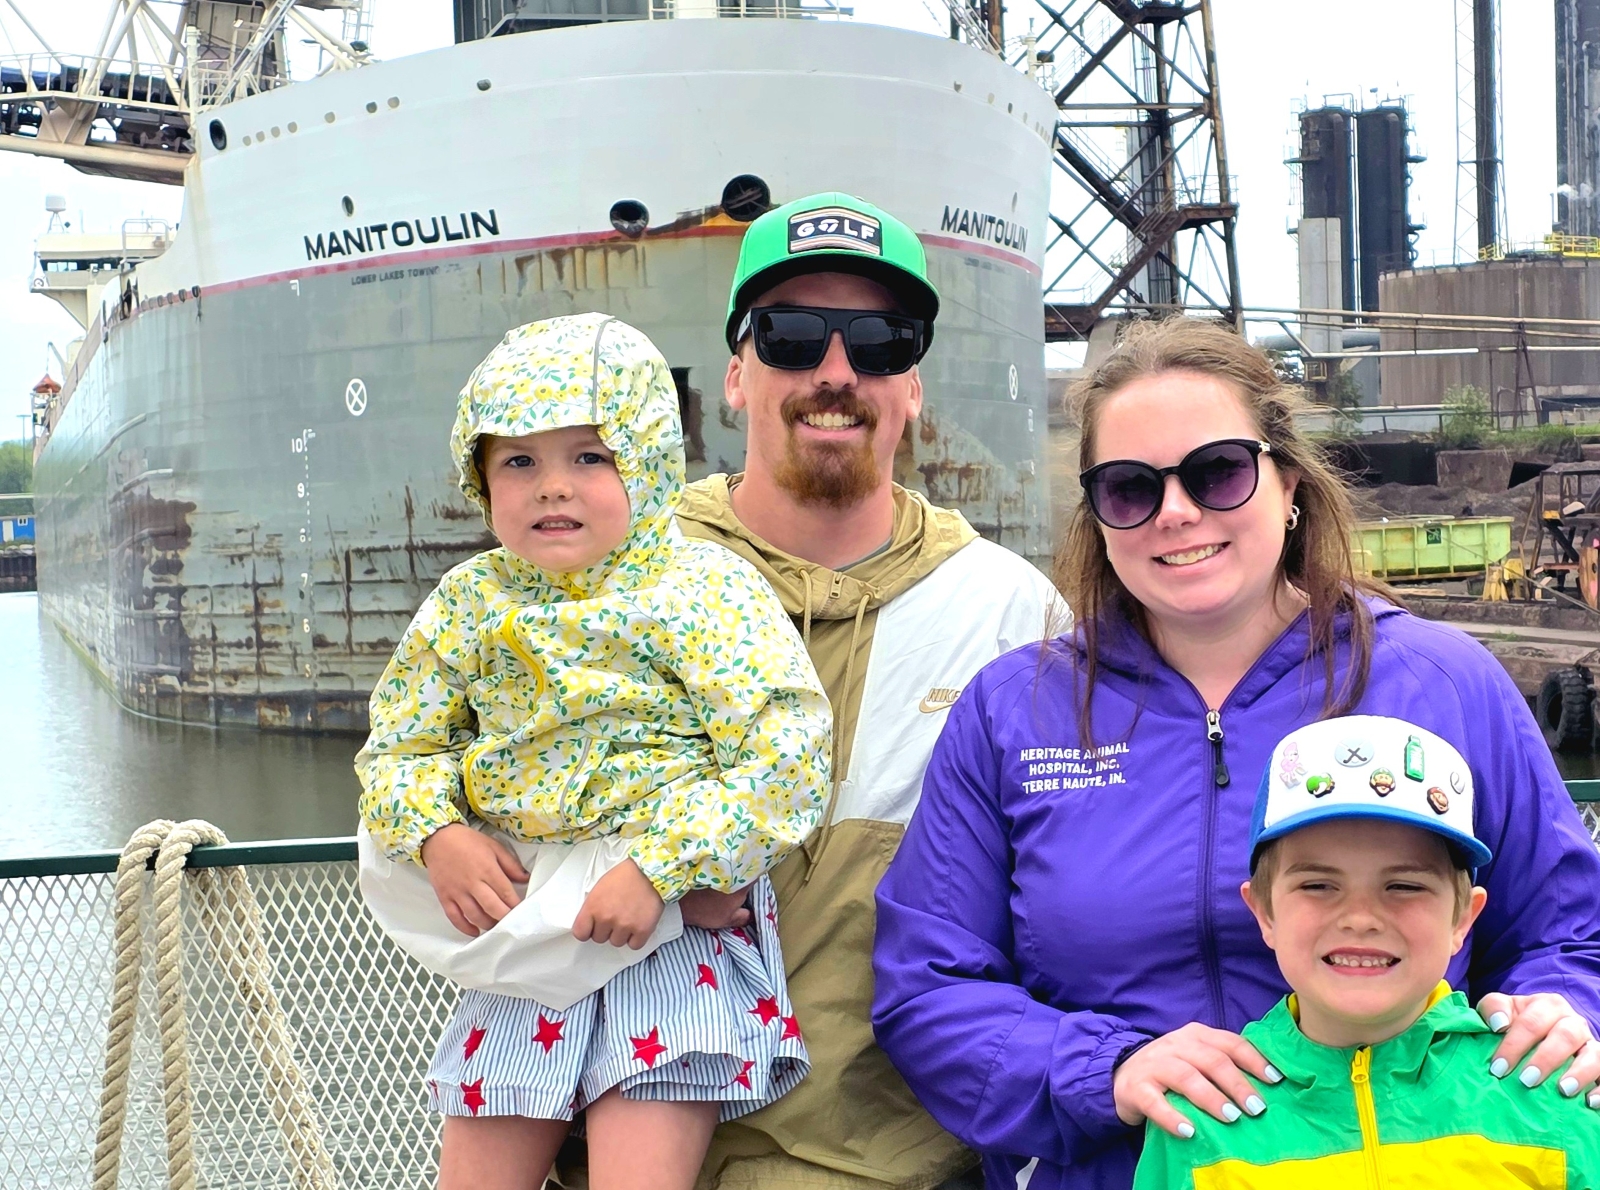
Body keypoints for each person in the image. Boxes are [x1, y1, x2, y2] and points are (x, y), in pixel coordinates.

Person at [870, 317, 1600, 1190]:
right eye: (1130, 488)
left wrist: (1565, 1010)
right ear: (1098, 516)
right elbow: (928, 988)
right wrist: (1104, 1071)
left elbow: (1570, 929)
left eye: (1218, 472)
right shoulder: (1013, 714)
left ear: (1287, 483)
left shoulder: (1444, 683)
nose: (1176, 513)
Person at [355, 313, 833, 1190]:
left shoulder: (702, 589)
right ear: (480, 476)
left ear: (647, 462)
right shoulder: (469, 601)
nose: (550, 489)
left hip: (666, 930)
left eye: (589, 457)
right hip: (521, 927)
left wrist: (661, 867)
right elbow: (400, 743)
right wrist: (437, 835)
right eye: (519, 462)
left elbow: (786, 749)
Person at [675, 192, 1063, 1190]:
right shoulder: (620, 583)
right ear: (734, 375)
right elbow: (423, 843)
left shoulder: (1012, 617)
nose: (835, 372)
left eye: (881, 342)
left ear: (912, 387)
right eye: (792, 336)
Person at [1134, 714, 1600, 1188]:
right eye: (1318, 885)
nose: (1360, 917)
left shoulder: (1550, 1091)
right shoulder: (1201, 1117)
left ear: (1463, 918)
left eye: (1403, 885)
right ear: (1265, 913)